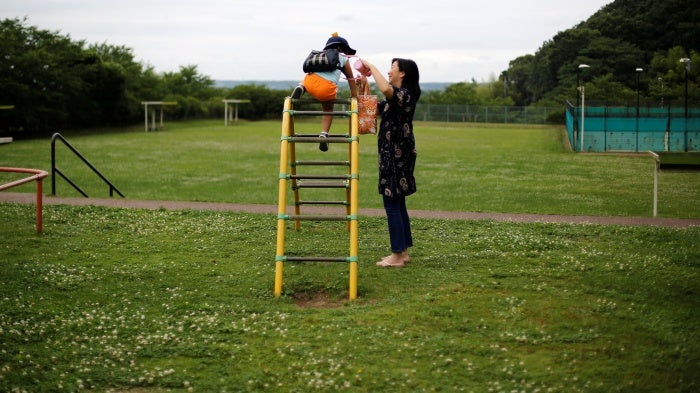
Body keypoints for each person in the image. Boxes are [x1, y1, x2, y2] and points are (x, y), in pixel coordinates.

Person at [358, 57, 421, 268]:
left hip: (397, 157)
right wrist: (363, 85)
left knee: (392, 204)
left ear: (402, 73)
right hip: (393, 156)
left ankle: (396, 255)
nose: (388, 71)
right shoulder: (395, 99)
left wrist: (371, 67)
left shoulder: (405, 95)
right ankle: (402, 253)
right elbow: (371, 108)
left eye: (392, 68)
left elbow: (386, 90)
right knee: (399, 204)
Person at [292, 32, 358, 152]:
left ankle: (301, 88)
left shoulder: (319, 55)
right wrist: (354, 96)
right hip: (326, 88)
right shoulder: (343, 58)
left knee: (307, 79)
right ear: (339, 48)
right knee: (327, 110)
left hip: (309, 82)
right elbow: (350, 78)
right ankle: (324, 134)